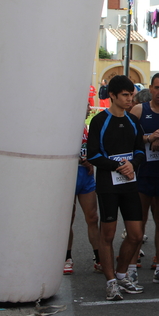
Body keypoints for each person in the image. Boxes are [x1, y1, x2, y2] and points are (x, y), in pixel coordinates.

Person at [86, 75, 146, 301]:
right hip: (108, 185)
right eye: (125, 95)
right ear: (112, 95)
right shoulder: (100, 121)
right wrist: (118, 166)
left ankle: (121, 274)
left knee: (136, 234)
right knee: (107, 235)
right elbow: (93, 155)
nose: (130, 99)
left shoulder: (132, 120)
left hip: (129, 184)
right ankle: (110, 282)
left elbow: (140, 149)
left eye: (131, 95)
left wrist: (132, 164)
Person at [129, 73, 159, 286]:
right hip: (143, 174)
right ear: (150, 88)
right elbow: (128, 139)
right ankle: (130, 267)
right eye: (157, 88)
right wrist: (149, 138)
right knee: (137, 223)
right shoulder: (140, 110)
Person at [65, 104, 101, 276]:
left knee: (92, 217)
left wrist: (90, 160)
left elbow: (92, 149)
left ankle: (98, 257)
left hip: (85, 176)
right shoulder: (66, 125)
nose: (89, 109)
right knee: (67, 219)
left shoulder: (86, 127)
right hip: (70, 176)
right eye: (86, 106)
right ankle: (67, 257)